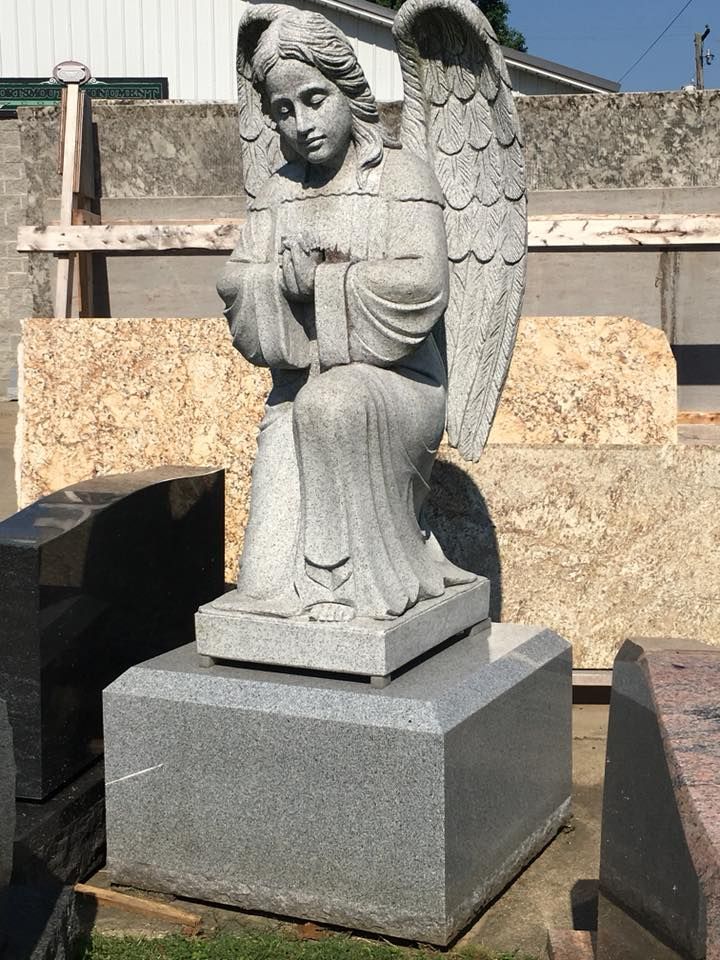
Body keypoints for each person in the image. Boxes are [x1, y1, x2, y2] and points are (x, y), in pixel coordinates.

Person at [217, 9, 473, 622]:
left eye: (313, 99)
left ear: (348, 90)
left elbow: (423, 286)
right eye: (283, 111)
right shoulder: (279, 190)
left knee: (332, 403)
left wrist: (327, 280)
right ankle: (297, 583)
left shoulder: (404, 177)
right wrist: (281, 279)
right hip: (298, 387)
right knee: (261, 583)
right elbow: (236, 280)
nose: (301, 124)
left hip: (401, 384)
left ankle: (346, 586)